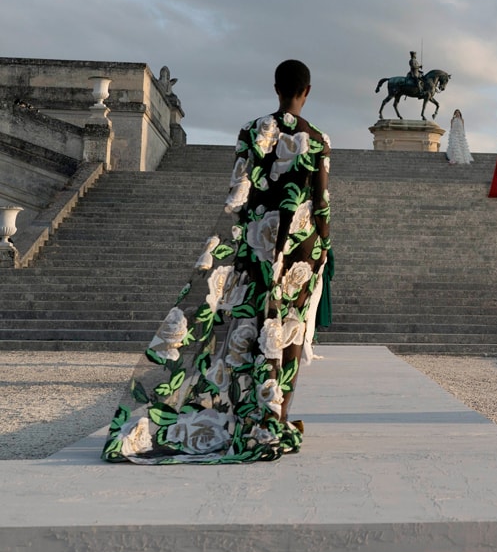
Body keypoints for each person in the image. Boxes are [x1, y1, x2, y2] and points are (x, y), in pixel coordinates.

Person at [102, 59, 332, 463]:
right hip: (300, 248)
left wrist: (238, 239)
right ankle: (277, 415)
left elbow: (238, 191)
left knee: (251, 327)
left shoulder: (252, 131)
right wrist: (323, 246)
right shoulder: (317, 138)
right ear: (306, 91)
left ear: (275, 87)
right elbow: (321, 205)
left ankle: (248, 411)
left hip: (258, 241)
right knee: (289, 330)